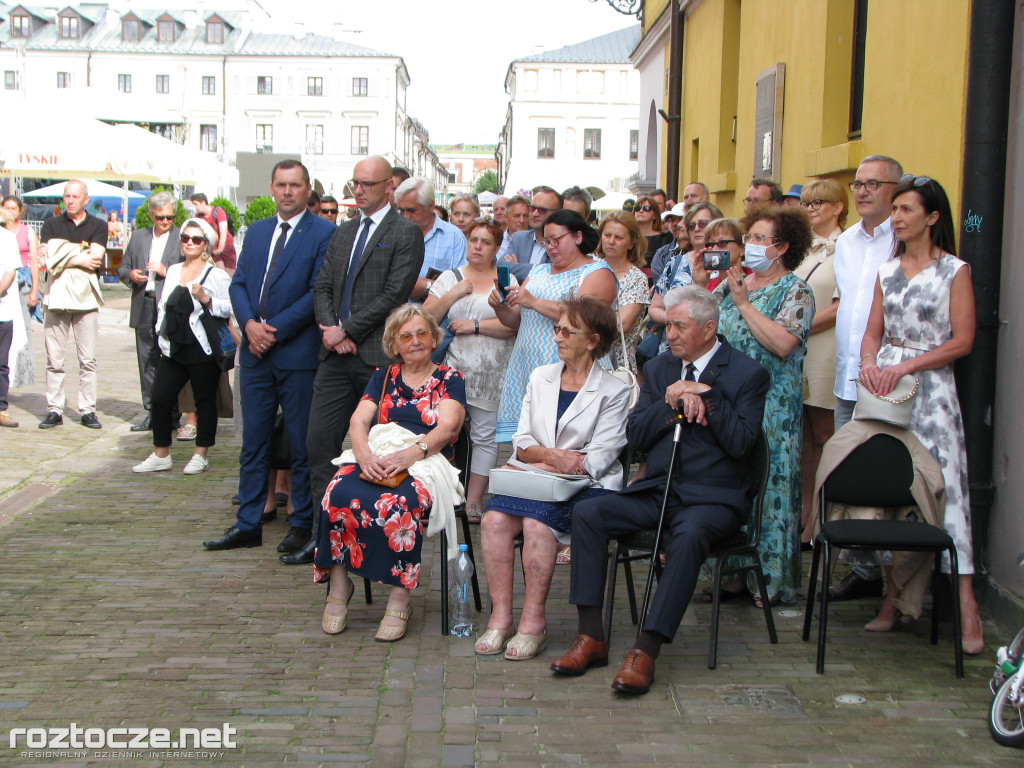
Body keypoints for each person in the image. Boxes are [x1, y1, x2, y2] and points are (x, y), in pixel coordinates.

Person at [549, 285, 769, 694]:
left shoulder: (747, 373)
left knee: (689, 536)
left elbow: (742, 444)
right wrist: (671, 406)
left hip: (713, 497)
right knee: (588, 513)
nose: (670, 335)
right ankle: (590, 636)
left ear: (709, 328)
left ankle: (646, 649)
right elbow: (635, 435)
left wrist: (709, 397)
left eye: (680, 327)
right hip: (659, 489)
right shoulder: (662, 367)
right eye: (667, 326)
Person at [857, 175, 985, 655]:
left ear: (931, 217)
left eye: (906, 209)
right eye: (896, 210)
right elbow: (872, 332)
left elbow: (963, 340)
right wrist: (871, 363)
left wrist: (906, 363)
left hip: (931, 391)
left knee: (946, 488)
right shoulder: (887, 272)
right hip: (886, 392)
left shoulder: (954, 270)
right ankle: (893, 599)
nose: (897, 218)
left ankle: (966, 603)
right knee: (889, 489)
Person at [288, 155, 425, 566]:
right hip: (334, 356)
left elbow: (393, 294)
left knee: (379, 450)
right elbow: (323, 285)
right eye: (354, 183)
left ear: (388, 187)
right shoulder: (343, 230)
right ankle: (322, 539)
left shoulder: (405, 232)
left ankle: (373, 538)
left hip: (375, 358)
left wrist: (346, 330)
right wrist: (332, 329)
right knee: (318, 445)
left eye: (367, 183)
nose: (358, 190)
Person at [477, 298, 629, 660]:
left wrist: (546, 460)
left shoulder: (614, 389)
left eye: (566, 330)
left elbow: (600, 458)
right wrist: (550, 458)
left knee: (536, 525)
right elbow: (522, 440)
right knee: (494, 520)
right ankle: (500, 619)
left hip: (588, 489)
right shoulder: (540, 376)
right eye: (556, 328)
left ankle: (533, 622)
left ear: (592, 341)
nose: (556, 336)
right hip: (535, 478)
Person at [203, 160, 336, 554]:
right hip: (255, 355)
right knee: (253, 441)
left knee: (299, 443)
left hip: (295, 353)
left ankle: (300, 525)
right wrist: (247, 324)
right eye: (281, 185)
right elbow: (239, 282)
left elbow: (317, 293)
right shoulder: (259, 231)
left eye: (295, 185)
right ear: (272, 188)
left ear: (307, 188)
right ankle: (247, 522)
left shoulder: (324, 234)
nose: (288, 192)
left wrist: (270, 330)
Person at [313, 305, 466, 642]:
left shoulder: (449, 379)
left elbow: (449, 426)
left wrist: (411, 454)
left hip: (425, 458)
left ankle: (400, 595)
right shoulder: (382, 376)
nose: (416, 341)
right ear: (395, 344)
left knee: (399, 503)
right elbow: (357, 421)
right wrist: (364, 456)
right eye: (406, 336)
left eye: (422, 333)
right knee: (336, 492)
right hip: (378, 455)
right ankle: (339, 584)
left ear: (434, 337)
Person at [708, 205, 814, 606]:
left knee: (769, 486)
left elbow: (783, 343)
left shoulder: (796, 291)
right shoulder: (733, 284)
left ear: (782, 247)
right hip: (729, 399)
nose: (749, 245)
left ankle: (768, 581)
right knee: (733, 483)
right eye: (748, 237)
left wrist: (746, 303)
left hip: (772, 405)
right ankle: (732, 573)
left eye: (758, 239)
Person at [829, 154, 903, 602]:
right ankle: (862, 568)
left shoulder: (902, 240)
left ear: (896, 189)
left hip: (887, 380)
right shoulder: (847, 242)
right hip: (847, 375)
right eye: (858, 183)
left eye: (874, 184)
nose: (862, 191)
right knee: (847, 472)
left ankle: (892, 575)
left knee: (884, 475)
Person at [492, 210, 617, 442]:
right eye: (545, 241)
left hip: (571, 367)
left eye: (556, 239)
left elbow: (585, 316)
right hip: (528, 365)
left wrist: (533, 301)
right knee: (528, 443)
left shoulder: (597, 272)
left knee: (568, 440)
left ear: (578, 237)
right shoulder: (539, 270)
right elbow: (518, 320)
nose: (550, 246)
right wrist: (501, 307)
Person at [424, 219, 517, 524]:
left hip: (492, 369)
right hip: (454, 369)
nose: (477, 246)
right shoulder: (451, 277)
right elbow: (425, 319)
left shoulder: (506, 279)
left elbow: (513, 326)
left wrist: (475, 326)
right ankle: (438, 493)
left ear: (496, 248)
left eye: (485, 241)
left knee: (485, 437)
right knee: (443, 431)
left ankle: (474, 500)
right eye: (473, 239)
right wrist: (454, 294)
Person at [132, 219, 231, 475]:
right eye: (186, 238)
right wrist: (160, 334)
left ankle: (201, 453)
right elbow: (164, 305)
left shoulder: (215, 274)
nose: (189, 243)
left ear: (205, 245)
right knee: (161, 398)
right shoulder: (173, 270)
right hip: (173, 346)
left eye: (196, 240)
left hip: (202, 346)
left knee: (204, 400)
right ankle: (161, 452)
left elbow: (230, 307)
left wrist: (205, 299)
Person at [795, 179, 847, 544]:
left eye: (819, 203)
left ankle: (821, 519)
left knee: (825, 435)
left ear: (838, 207)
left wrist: (799, 327)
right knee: (804, 438)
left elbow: (841, 304)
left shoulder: (845, 246)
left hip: (825, 347)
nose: (812, 208)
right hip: (799, 349)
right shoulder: (806, 250)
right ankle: (804, 514)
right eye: (807, 203)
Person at [38, 180, 107, 430]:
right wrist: (78, 254)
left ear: (85, 199)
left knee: (87, 359)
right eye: (66, 196)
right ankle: (54, 409)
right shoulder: (51, 223)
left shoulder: (98, 225)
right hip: (56, 298)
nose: (70, 200)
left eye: (75, 196)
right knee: (54, 359)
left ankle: (88, 409)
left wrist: (61, 254)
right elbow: (47, 259)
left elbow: (96, 258)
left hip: (86, 299)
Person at [117, 192, 182, 432]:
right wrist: (130, 275)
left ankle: (173, 412)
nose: (166, 222)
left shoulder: (181, 237)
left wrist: (168, 271)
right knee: (147, 359)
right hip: (144, 300)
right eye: (161, 217)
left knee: (171, 359)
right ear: (152, 215)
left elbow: (190, 266)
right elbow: (122, 266)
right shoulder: (139, 237)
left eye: (170, 217)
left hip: (169, 304)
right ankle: (153, 412)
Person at [647, 203, 723, 355]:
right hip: (674, 351)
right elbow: (654, 309)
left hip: (718, 350)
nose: (696, 229)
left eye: (702, 224)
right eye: (691, 225)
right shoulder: (675, 263)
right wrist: (678, 321)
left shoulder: (727, 262)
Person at [395, 177, 467, 302]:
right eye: (401, 210)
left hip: (437, 320)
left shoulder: (454, 237)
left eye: (411, 210)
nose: (405, 217)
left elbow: (464, 285)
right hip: (395, 318)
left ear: (430, 206)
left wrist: (428, 287)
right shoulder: (392, 232)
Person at [595, 211, 649, 374]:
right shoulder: (590, 269)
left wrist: (585, 321)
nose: (611, 241)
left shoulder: (637, 278)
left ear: (631, 243)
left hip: (617, 363)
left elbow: (622, 324)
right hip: (585, 359)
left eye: (618, 237)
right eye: (607, 235)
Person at [0, 200, 35, 391]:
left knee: (18, 335)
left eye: (13, 207)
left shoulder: (14, 235)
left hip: (15, 289)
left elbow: (20, 266)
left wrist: (35, 289)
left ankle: (2, 404)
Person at [498, 186, 563, 282]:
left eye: (542, 210)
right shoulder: (519, 238)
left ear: (558, 213)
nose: (535, 214)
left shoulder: (563, 243)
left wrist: (516, 268)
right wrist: (542, 270)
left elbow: (556, 275)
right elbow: (500, 266)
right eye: (532, 208)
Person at [3, 196, 41, 326]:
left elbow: (34, 262)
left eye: (13, 208)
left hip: (22, 281)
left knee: (23, 325)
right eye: (6, 208)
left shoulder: (27, 231)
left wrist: (34, 291)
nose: (10, 212)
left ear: (20, 210)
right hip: (3, 279)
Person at [0, 223, 19, 427]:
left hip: (2, 311)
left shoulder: (6, 237)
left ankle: (1, 409)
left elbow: (10, 271)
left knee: (1, 362)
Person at [189, 193, 236, 273]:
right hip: (213, 248)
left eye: (196, 204)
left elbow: (223, 233)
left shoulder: (218, 212)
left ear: (203, 203)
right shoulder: (198, 217)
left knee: (230, 275)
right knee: (219, 273)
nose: (195, 207)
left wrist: (220, 249)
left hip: (226, 246)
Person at [649, 202, 689, 281]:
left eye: (680, 219)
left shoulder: (700, 250)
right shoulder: (662, 253)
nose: (675, 224)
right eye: (672, 220)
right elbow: (660, 285)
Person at [496, 195, 529, 261]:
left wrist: (516, 267)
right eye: (517, 216)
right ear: (506, 218)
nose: (522, 220)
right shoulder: (497, 241)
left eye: (525, 216)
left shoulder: (537, 243)